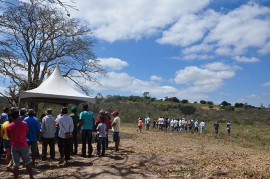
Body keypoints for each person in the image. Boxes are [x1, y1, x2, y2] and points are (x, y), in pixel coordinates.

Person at [6, 107, 34, 179]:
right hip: (23, 145)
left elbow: (9, 137)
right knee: (27, 162)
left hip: (14, 146)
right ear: (18, 116)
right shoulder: (24, 124)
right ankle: (31, 177)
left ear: (11, 117)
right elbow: (26, 132)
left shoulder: (8, 126)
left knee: (16, 164)